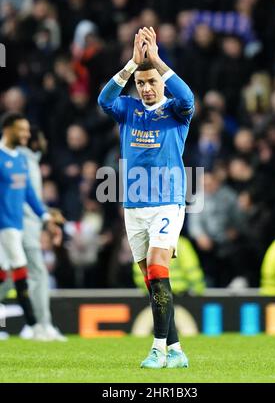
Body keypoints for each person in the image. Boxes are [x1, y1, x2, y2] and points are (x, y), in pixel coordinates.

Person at [98, 27, 194, 369]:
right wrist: (132, 64)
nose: (147, 87)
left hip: (167, 202)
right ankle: (177, 349)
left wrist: (156, 60)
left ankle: (158, 349)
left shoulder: (177, 112)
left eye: (152, 81)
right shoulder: (127, 110)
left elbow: (189, 97)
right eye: (141, 83)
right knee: (152, 282)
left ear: (162, 83)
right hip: (134, 207)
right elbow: (104, 100)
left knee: (158, 266)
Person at [0, 127, 66, 340]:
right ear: (35, 142)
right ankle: (41, 325)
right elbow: (23, 197)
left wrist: (47, 214)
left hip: (23, 224)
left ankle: (40, 325)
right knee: (36, 273)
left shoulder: (28, 160)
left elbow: (33, 197)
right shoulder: (24, 160)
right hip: (23, 226)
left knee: (10, 277)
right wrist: (43, 220)